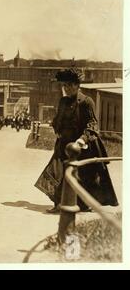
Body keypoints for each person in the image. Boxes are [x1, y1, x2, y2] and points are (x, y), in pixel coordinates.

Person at [34, 69, 119, 213]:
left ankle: (82, 205)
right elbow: (58, 119)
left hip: (81, 146)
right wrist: (56, 128)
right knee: (57, 171)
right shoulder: (63, 101)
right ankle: (58, 204)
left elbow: (92, 124)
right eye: (64, 86)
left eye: (69, 85)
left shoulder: (86, 102)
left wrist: (82, 139)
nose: (66, 89)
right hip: (63, 144)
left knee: (83, 176)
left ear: (77, 85)